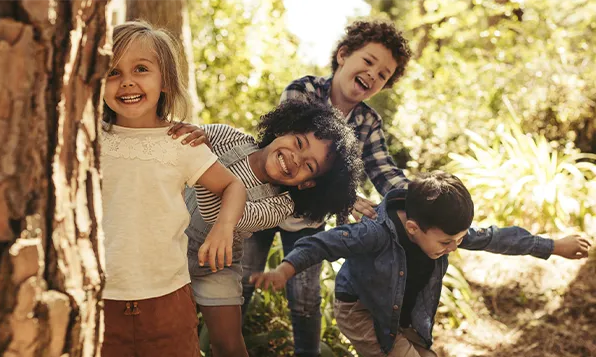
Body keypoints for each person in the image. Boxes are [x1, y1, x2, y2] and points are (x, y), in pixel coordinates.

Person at [168, 19, 414, 356]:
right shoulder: (304, 91)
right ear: (343, 55)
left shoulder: (368, 123)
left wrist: (414, 199)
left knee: (306, 297)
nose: (373, 73)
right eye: (368, 61)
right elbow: (275, 137)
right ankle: (210, 342)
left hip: (296, 211)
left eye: (383, 73)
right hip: (257, 195)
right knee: (241, 279)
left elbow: (382, 167)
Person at [250, 171, 592, 357]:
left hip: (402, 313)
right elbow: (323, 243)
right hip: (361, 312)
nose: (454, 247)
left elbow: (497, 237)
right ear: (413, 229)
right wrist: (286, 268)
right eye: (447, 242)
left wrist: (553, 246)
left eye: (458, 239)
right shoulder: (374, 234)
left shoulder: (444, 232)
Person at [99, 21, 246, 357]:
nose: (128, 82)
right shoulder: (89, 139)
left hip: (168, 301)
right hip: (101, 298)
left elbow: (232, 185)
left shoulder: (181, 142)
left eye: (141, 69)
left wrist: (223, 228)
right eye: (113, 71)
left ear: (164, 79)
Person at [184, 99, 363, 356]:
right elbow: (186, 140)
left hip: (216, 266)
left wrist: (202, 163)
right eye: (299, 143)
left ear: (307, 185)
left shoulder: (279, 206)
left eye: (309, 166)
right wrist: (192, 138)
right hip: (170, 241)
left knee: (229, 344)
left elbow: (217, 216)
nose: (295, 159)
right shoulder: (230, 138)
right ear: (283, 129)